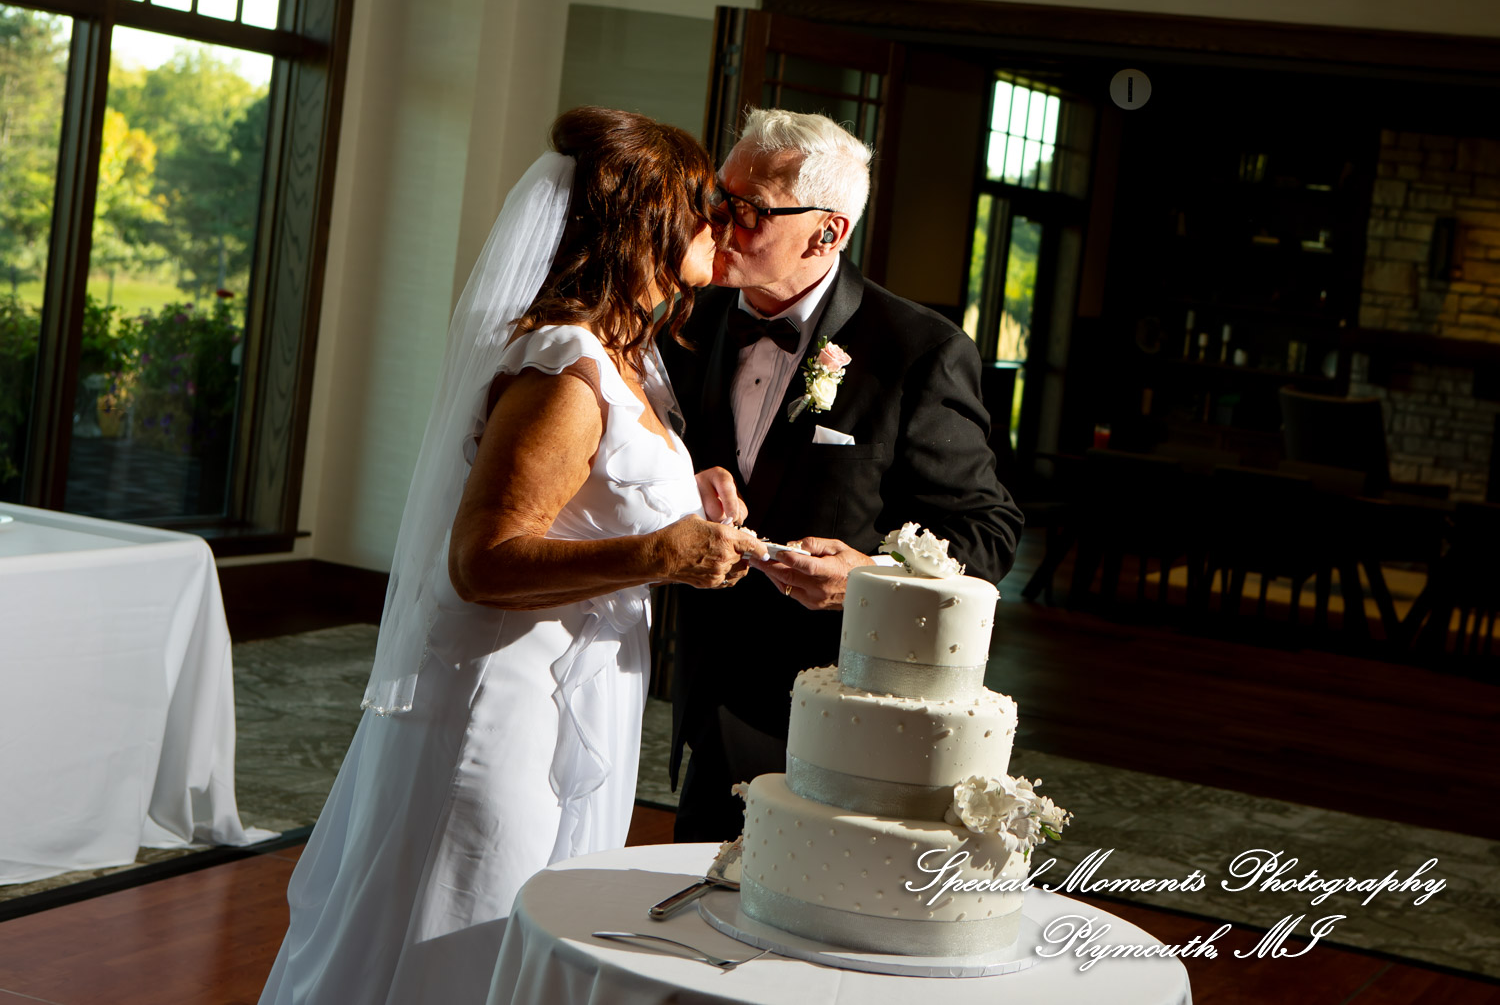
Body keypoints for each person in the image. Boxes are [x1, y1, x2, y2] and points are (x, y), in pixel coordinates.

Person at [259, 108, 763, 1004]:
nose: (717, 225)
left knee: (526, 920)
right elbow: (484, 560)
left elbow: (585, 500)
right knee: (462, 923)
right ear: (640, 217)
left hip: (582, 691)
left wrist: (695, 495)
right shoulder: (564, 371)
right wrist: (659, 549)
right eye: (699, 205)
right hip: (509, 705)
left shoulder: (630, 358)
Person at [663, 107, 1025, 842]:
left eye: (751, 210)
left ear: (829, 231)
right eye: (719, 199)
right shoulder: (683, 319)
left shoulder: (917, 352)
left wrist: (870, 577)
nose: (721, 224)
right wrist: (684, 475)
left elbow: (986, 532)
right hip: (707, 684)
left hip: (834, 708)